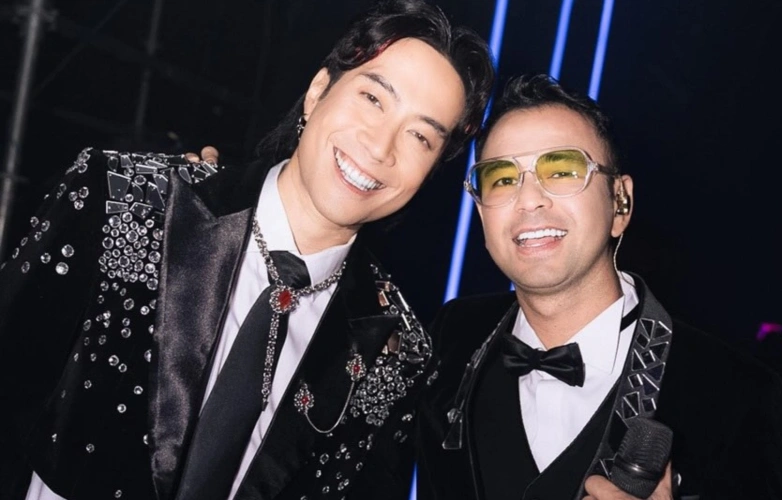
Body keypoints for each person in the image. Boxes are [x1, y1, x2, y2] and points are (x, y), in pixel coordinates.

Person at [0, 1, 493, 499]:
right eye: (373, 98)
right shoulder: (125, 201)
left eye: (419, 136)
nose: (381, 147)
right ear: (318, 91)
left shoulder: (398, 352)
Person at [414, 74, 782, 500]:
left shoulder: (732, 393)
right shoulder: (451, 338)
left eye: (562, 171)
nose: (528, 199)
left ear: (620, 202)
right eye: (502, 179)